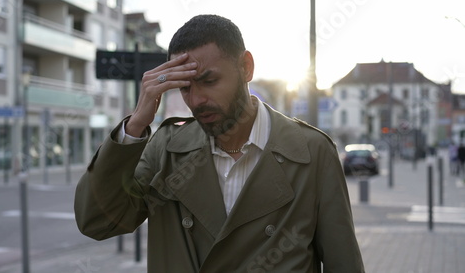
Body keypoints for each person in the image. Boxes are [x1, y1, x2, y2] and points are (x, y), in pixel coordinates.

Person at [74, 14, 364, 272]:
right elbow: (98, 222)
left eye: (209, 81)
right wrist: (135, 125)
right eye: (185, 87)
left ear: (245, 67)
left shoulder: (311, 152)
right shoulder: (167, 149)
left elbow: (344, 263)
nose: (196, 100)